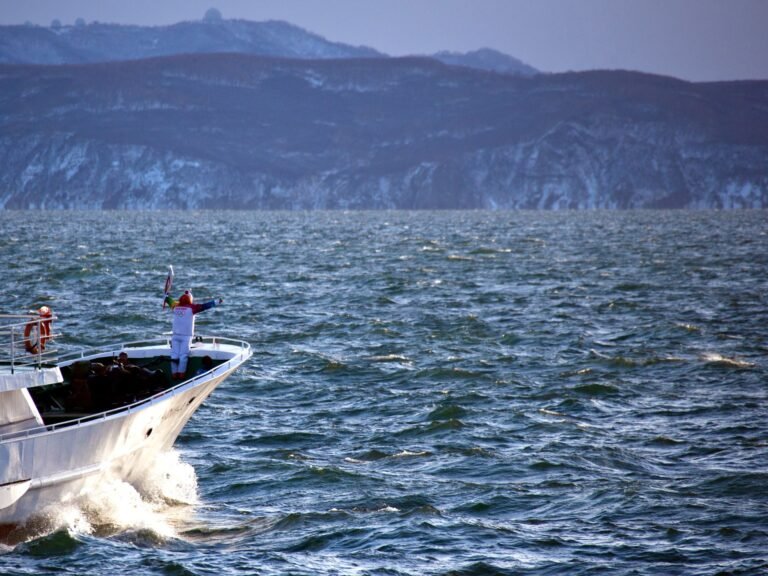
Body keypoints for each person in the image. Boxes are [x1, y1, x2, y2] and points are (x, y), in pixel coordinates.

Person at [164, 290, 222, 380]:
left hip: (175, 335)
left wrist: (166, 296)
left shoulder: (175, 306)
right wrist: (216, 302)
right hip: (186, 336)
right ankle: (181, 374)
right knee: (183, 356)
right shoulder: (191, 308)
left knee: (174, 355)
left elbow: (169, 300)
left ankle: (174, 374)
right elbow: (205, 306)